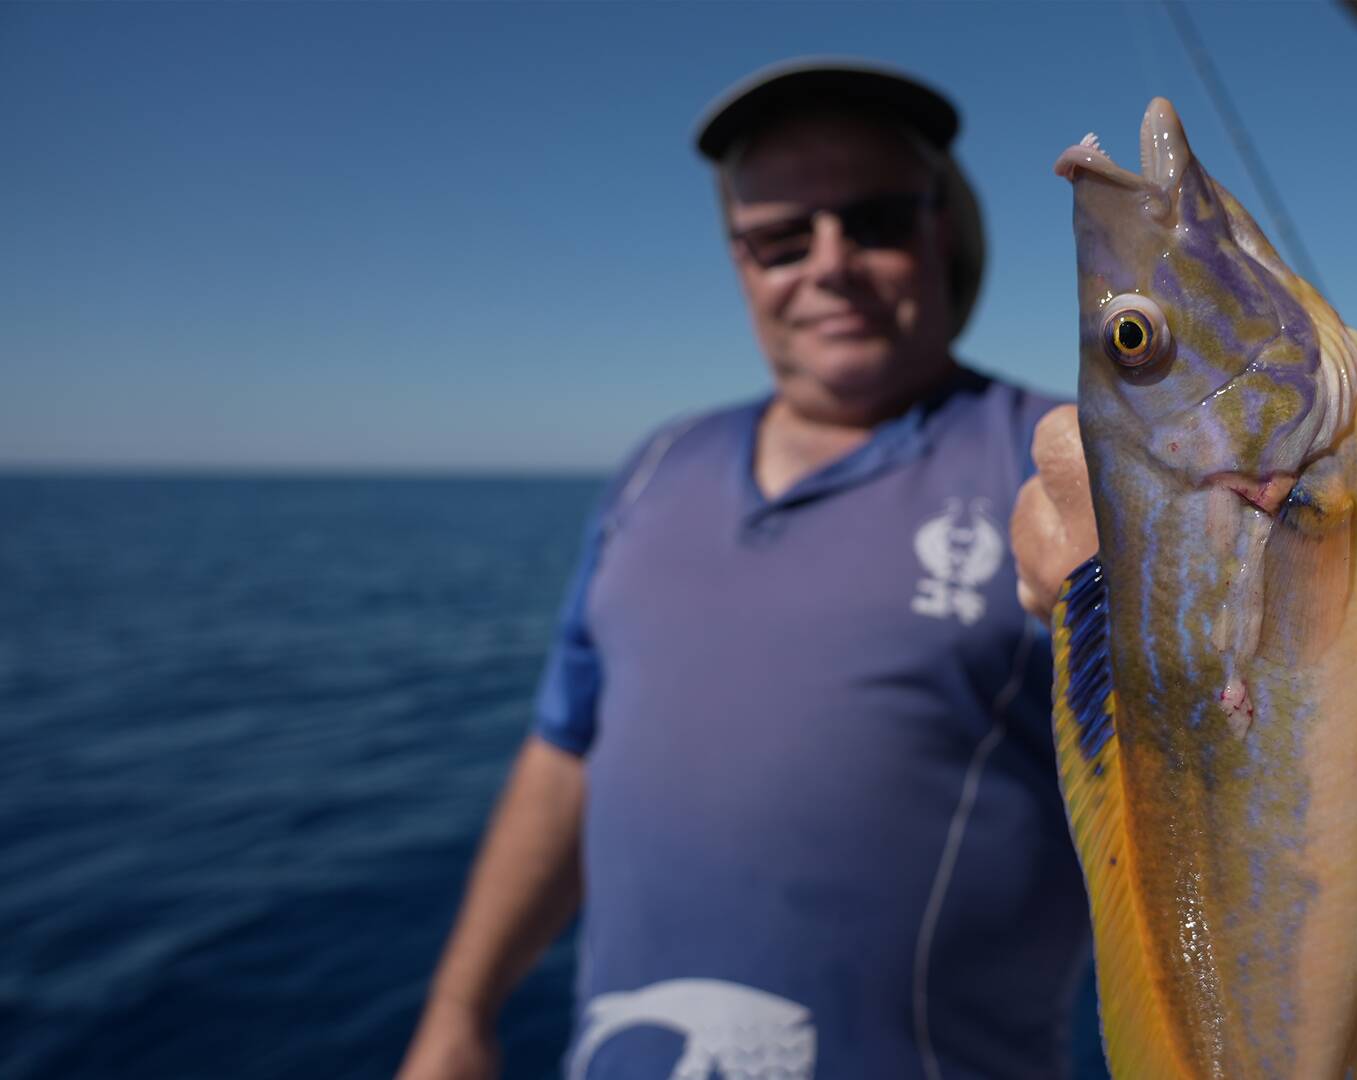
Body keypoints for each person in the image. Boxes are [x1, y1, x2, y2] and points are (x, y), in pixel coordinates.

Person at [396, 60, 1093, 1080]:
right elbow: (563, 758)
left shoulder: (1063, 462)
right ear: (739, 266)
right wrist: (460, 1013)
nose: (827, 264)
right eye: (779, 239)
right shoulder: (654, 468)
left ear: (946, 231)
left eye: (876, 221)